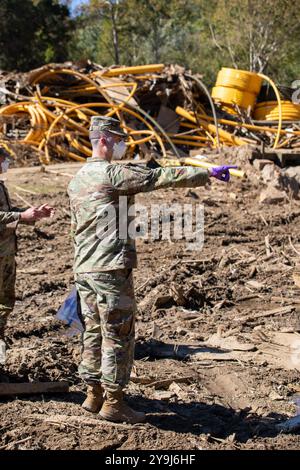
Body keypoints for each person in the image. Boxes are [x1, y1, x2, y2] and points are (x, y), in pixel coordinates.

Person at [68, 116, 235, 424]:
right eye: (119, 140)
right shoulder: (114, 173)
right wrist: (206, 172)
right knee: (118, 335)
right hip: (110, 269)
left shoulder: (77, 178)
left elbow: (77, 227)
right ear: (104, 140)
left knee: (92, 332)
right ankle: (114, 403)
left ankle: (92, 395)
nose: (123, 145)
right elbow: (161, 176)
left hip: (85, 269)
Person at [0, 147, 54, 364]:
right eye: (3, 159)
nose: (6, 163)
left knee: (5, 300)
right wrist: (21, 215)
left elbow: (7, 212)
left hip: (6, 252)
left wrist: (31, 214)